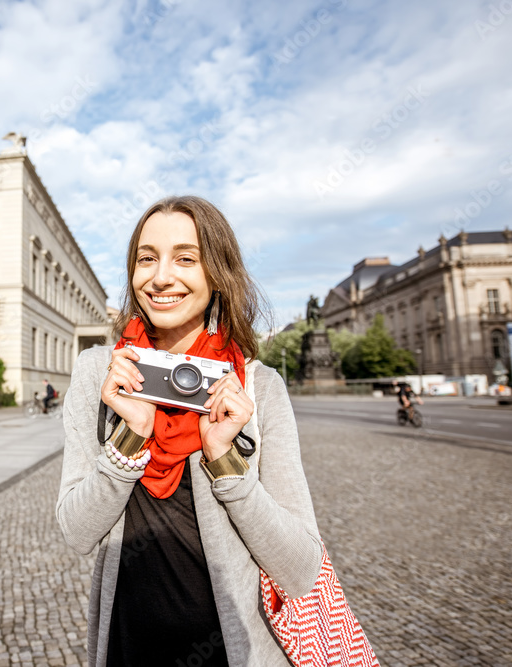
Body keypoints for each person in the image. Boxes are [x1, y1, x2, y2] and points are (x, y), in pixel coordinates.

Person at [57, 196, 323, 666]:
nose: (160, 277)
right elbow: (77, 533)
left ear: (218, 274)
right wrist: (129, 439)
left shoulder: (257, 387)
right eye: (146, 258)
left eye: (185, 258)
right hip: (128, 647)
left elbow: (301, 569)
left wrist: (227, 463)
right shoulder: (101, 373)